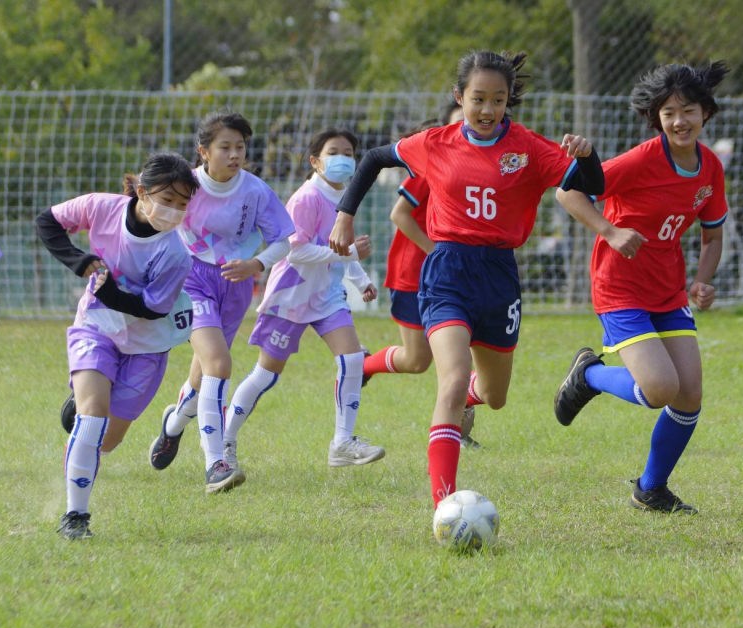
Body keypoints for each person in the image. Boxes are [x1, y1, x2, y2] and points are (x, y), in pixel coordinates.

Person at [329, 50, 604, 509]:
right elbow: (376, 157)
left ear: (508, 101)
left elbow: (593, 185)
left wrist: (588, 155)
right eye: (478, 99)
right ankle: (445, 505)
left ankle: (468, 404)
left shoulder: (530, 148)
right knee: (452, 381)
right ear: (460, 96)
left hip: (499, 276)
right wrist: (344, 216)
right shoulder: (436, 142)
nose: (488, 109)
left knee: (493, 396)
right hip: (447, 272)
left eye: (499, 100)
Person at [553, 61, 730, 515]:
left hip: (667, 290)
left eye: (687, 110)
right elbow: (568, 193)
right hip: (620, 288)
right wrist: (610, 231)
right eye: (668, 112)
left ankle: (651, 489)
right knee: (658, 390)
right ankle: (588, 375)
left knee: (689, 393)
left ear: (705, 113)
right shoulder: (640, 160)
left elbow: (712, 235)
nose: (679, 120)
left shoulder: (710, 168)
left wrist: (703, 280)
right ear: (657, 120)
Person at [36, 153, 200, 538]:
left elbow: (149, 309)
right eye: (168, 200)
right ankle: (75, 517)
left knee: (108, 438)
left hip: (147, 343)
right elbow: (48, 222)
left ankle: (85, 406)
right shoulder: (100, 206)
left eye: (182, 204)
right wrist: (80, 262)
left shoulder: (175, 254)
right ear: (142, 192)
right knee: (93, 418)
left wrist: (108, 288)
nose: (175, 211)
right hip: (96, 326)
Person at [222, 128, 385, 474]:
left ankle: (342, 442)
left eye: (348, 153)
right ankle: (225, 441)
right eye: (334, 152)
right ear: (315, 161)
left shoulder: (346, 200)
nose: (342, 159)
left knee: (353, 359)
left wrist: (361, 278)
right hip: (291, 296)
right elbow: (296, 252)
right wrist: (350, 255)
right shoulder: (307, 197)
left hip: (328, 296)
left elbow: (341, 249)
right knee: (265, 375)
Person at [148, 111, 295, 493]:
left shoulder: (256, 191)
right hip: (190, 280)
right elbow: (153, 218)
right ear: (203, 152)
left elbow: (283, 239)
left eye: (240, 146)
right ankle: (217, 463)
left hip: (235, 285)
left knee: (203, 376)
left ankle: (173, 424)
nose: (234, 154)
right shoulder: (185, 186)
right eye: (225, 147)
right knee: (219, 364)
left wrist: (257, 262)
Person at [361, 101, 482, 448]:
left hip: (458, 275)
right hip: (415, 273)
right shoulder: (433, 165)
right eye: (461, 121)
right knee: (416, 361)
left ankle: (457, 430)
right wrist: (438, 253)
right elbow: (400, 215)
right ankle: (362, 367)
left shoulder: (484, 167)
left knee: (467, 354)